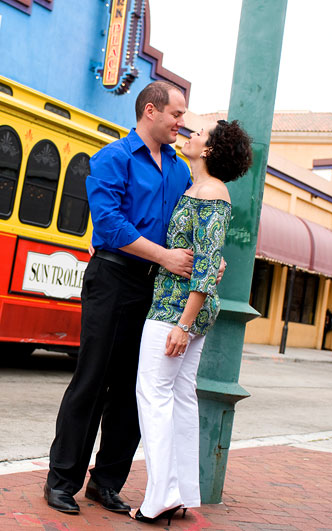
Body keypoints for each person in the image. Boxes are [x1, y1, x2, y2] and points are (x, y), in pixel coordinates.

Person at [44, 81, 196, 515]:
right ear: (151, 111)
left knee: (136, 388)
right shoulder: (111, 158)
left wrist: (203, 261)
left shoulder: (180, 169)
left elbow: (185, 227)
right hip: (112, 279)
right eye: (176, 114)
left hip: (156, 286)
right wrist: (165, 255)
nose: (181, 123)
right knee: (91, 381)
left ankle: (106, 483)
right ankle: (61, 482)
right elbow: (109, 225)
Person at [132, 119, 252, 524]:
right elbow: (209, 255)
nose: (191, 134)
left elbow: (203, 267)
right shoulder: (197, 188)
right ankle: (180, 491)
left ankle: (161, 496)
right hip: (183, 307)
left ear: (211, 149)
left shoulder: (212, 193)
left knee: (153, 395)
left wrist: (183, 324)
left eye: (200, 132)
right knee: (180, 397)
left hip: (174, 309)